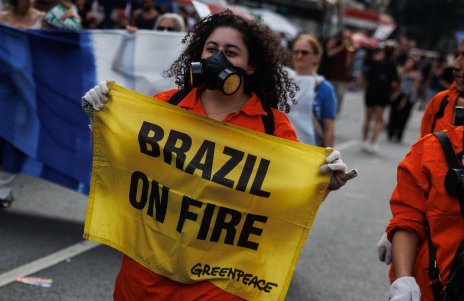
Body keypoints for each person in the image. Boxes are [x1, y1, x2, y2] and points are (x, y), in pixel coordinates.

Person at [82, 11, 358, 301]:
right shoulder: (165, 107)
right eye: (211, 50)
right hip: (147, 277)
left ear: (251, 66)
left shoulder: (271, 128)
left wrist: (322, 184)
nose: (218, 59)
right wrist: (100, 122)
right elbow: (121, 165)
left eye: (231, 52)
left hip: (219, 284)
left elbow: (289, 202)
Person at [378, 40, 464, 300]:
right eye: (457, 55)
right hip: (434, 271)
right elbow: (420, 171)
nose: (456, 65)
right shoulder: (439, 106)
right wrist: (397, 229)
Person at [0, 0, 46, 208]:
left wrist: (68, 21)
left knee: (17, 140)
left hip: (28, 91)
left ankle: (1, 192)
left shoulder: (41, 18)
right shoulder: (1, 18)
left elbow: (56, 48)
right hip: (1, 86)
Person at [287, 33, 337, 147]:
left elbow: (329, 128)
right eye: (296, 51)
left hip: (309, 150)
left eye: (304, 52)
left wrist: (327, 157)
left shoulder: (324, 88)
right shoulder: (283, 82)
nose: (299, 56)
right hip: (282, 147)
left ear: (316, 57)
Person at [361, 44, 399, 154]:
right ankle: (373, 143)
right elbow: (394, 82)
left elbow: (367, 77)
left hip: (371, 91)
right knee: (378, 119)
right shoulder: (392, 66)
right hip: (383, 93)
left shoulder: (375, 63)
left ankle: (365, 141)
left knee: (368, 117)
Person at [387, 56, 421, 143]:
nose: (408, 64)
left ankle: (399, 134)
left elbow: (415, 87)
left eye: (410, 63)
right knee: (394, 113)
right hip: (398, 94)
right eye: (407, 62)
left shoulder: (415, 74)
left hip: (408, 97)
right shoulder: (401, 70)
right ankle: (391, 132)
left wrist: (405, 98)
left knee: (403, 116)